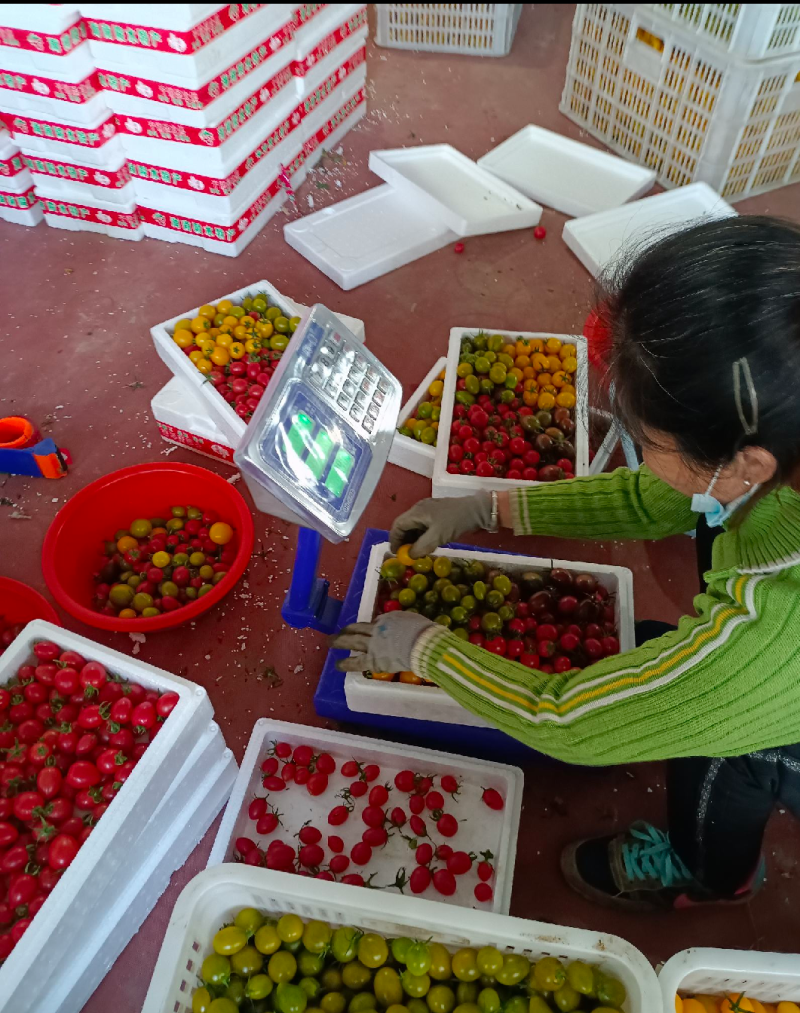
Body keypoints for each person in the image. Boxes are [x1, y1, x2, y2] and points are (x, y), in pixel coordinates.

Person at [333, 215, 800, 913]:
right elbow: (660, 500)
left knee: (733, 751)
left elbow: (566, 723)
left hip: (782, 700)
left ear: (746, 463)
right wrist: (489, 509)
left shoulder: (773, 628)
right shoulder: (770, 449)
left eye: (648, 438)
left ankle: (709, 872)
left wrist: (427, 651)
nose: (639, 452)